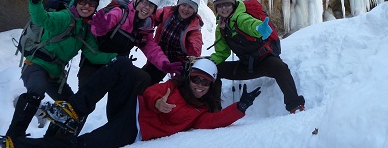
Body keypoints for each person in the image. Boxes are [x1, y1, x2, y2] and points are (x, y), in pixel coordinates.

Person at [2, 58, 261, 148]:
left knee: (81, 145)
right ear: (189, 77)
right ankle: (74, 108)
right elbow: (152, 92)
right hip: (132, 106)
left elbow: (215, 121)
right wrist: (158, 102)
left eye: (205, 83)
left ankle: (17, 144)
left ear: (212, 86)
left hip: (132, 130)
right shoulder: (174, 86)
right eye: (196, 79)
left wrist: (240, 107)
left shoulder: (200, 112)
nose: (199, 86)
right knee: (123, 65)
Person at [3, 0, 117, 141]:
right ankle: (13, 138)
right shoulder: (64, 17)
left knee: (72, 106)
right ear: (76, 3)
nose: (86, 6)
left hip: (55, 74)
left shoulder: (86, 28)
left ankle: (51, 141)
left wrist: (116, 58)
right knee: (37, 90)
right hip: (36, 65)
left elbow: (93, 54)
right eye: (82, 2)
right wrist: (36, 2)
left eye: (91, 3)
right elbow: (41, 18)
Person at [78, 0, 183, 117]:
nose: (146, 7)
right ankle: (65, 127)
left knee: (143, 78)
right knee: (86, 99)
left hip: (119, 66)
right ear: (137, 1)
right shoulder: (121, 12)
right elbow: (105, 22)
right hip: (94, 61)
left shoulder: (144, 26)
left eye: (151, 6)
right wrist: (101, 28)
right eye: (144, 2)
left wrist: (164, 64)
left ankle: (118, 120)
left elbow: (151, 47)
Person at [209, 0, 305, 113]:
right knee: (212, 70)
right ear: (216, 8)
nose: (224, 8)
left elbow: (250, 24)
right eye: (220, 5)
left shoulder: (240, 18)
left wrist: (260, 28)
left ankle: (295, 105)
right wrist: (211, 61)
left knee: (280, 68)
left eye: (227, 4)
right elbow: (222, 52)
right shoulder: (220, 28)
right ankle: (214, 111)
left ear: (233, 4)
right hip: (246, 65)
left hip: (265, 61)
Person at [142, 0, 204, 84]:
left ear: (195, 11)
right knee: (144, 79)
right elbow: (152, 18)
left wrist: (189, 67)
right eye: (184, 5)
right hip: (160, 55)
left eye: (190, 7)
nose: (186, 9)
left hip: (179, 62)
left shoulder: (194, 29)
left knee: (177, 87)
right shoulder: (167, 13)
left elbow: (194, 54)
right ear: (178, 5)